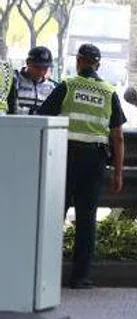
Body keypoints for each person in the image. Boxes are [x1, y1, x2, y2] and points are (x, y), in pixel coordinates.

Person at [37, 43, 126, 289]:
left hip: (65, 157)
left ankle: (46, 274)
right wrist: (118, 172)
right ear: (98, 64)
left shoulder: (68, 85)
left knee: (55, 214)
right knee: (87, 219)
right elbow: (118, 137)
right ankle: (80, 277)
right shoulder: (109, 92)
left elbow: (42, 117)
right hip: (95, 161)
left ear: (78, 61)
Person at [14, 46, 58, 114]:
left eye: (45, 68)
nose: (41, 72)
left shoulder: (53, 87)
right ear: (28, 63)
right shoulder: (14, 81)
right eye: (37, 67)